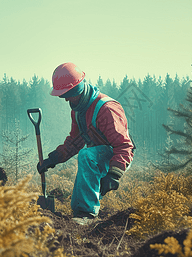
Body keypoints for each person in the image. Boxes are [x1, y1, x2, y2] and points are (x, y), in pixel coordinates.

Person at [37, 62, 135, 225]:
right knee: (86, 158)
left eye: (66, 95)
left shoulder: (106, 109)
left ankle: (86, 215)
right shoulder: (78, 111)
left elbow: (124, 146)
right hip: (98, 155)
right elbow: (74, 142)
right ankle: (80, 212)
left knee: (87, 155)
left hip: (117, 156)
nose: (65, 99)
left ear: (76, 89)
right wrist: (52, 159)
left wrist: (113, 174)